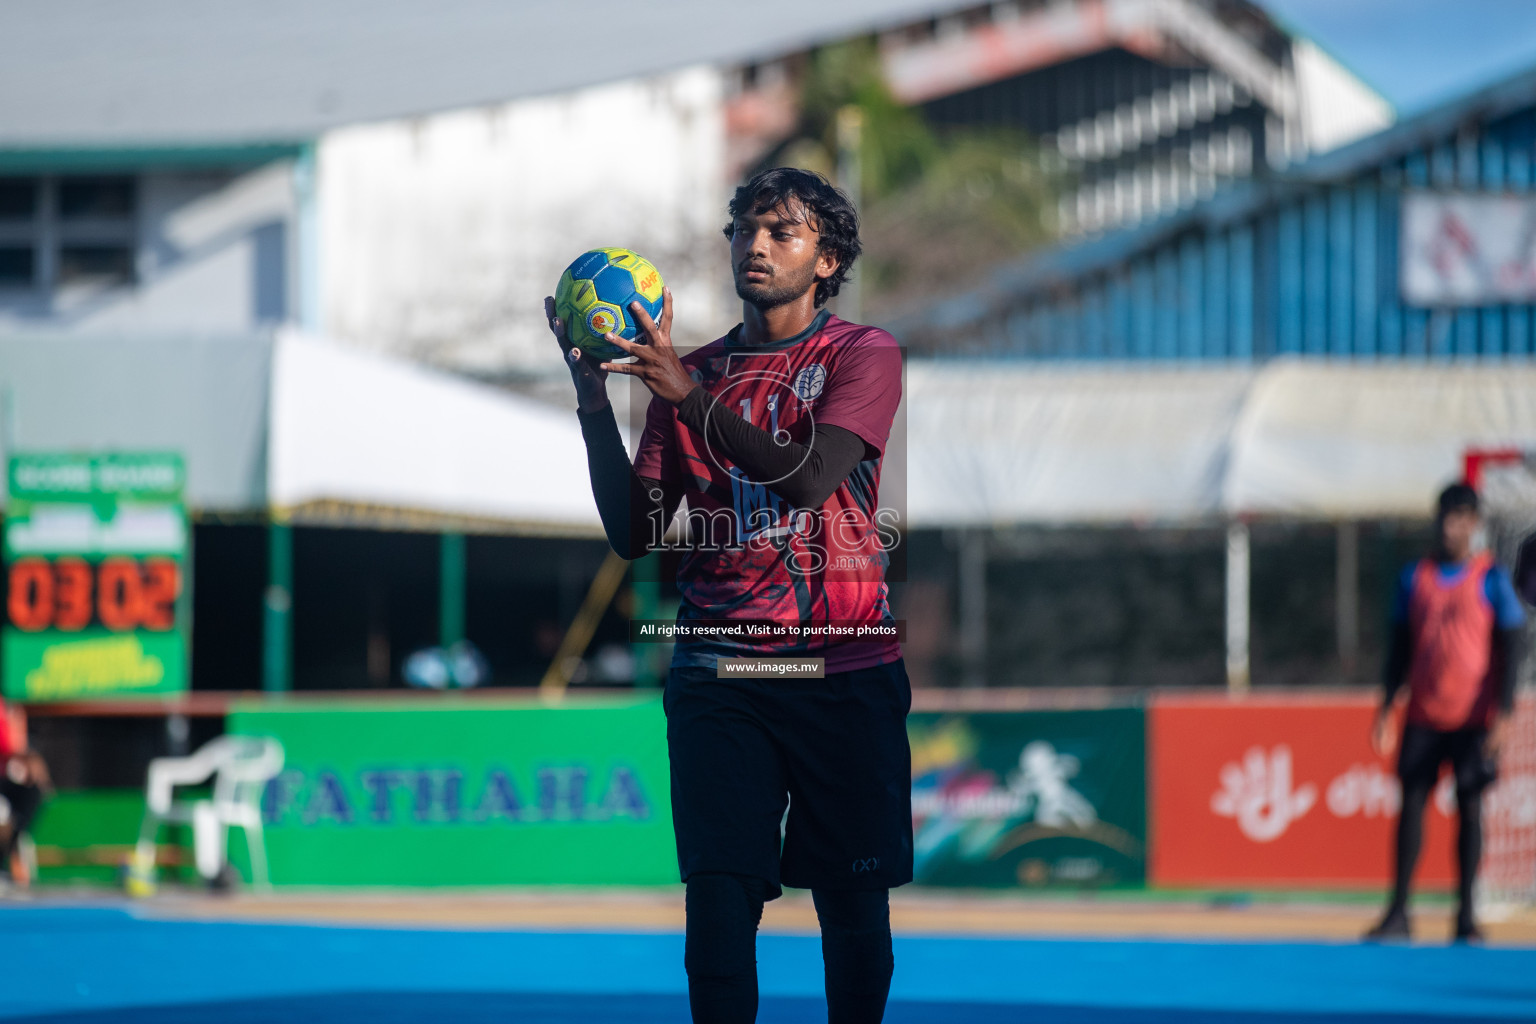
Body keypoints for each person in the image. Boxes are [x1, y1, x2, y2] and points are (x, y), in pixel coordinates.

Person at [547, 166, 909, 1023]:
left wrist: (687, 394)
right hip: (721, 669)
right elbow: (637, 533)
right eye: (745, 228)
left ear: (828, 260)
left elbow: (812, 480)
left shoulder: (861, 353)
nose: (757, 244)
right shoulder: (689, 372)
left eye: (782, 231)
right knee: (717, 893)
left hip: (841, 667)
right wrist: (595, 403)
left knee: (851, 903)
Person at [1366, 482, 1526, 942]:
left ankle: (1466, 915)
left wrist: (1505, 712)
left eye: (1461, 518)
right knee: (1411, 806)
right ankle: (1398, 911)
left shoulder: (1491, 578)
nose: (1451, 526)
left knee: (1470, 809)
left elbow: (1512, 646)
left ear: (1474, 524)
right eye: (1445, 516)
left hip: (1473, 717)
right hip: (1422, 714)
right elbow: (1398, 648)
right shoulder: (1414, 578)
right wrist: (1385, 706)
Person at [0, 697, 50, 889]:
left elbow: (15, 748)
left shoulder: (9, 710)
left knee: (32, 794)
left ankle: (10, 853)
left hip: (6, 780)